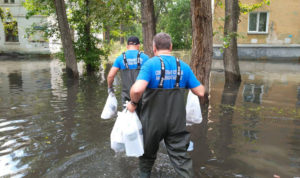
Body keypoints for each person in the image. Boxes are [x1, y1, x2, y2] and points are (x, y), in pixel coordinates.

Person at [127, 32, 205, 178]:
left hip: (152, 122)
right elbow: (200, 92)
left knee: (146, 157)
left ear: (154, 47)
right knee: (181, 159)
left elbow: (137, 89)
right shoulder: (183, 66)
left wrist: (133, 103)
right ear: (171, 46)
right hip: (176, 122)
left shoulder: (149, 64)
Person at [107, 36, 149, 111]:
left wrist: (110, 88)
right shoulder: (145, 58)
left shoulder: (120, 58)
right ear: (138, 46)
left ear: (127, 46)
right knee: (143, 120)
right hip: (142, 96)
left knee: (127, 120)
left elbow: (110, 76)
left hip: (126, 97)